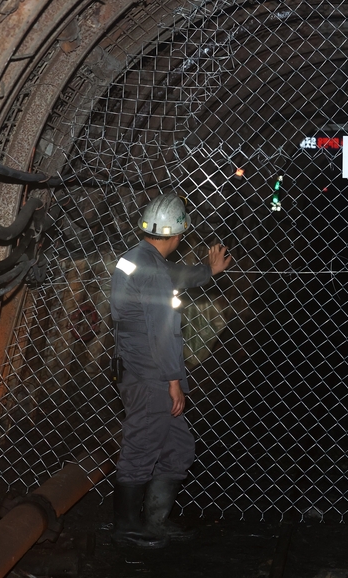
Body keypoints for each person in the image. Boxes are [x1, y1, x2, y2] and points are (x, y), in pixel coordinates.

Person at [109, 192, 232, 548]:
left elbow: (171, 276)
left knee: (177, 447)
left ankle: (154, 522)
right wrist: (174, 382)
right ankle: (127, 529)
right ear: (179, 235)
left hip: (135, 366)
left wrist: (207, 270)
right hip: (152, 374)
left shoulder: (135, 259)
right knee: (141, 449)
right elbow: (164, 333)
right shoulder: (153, 272)